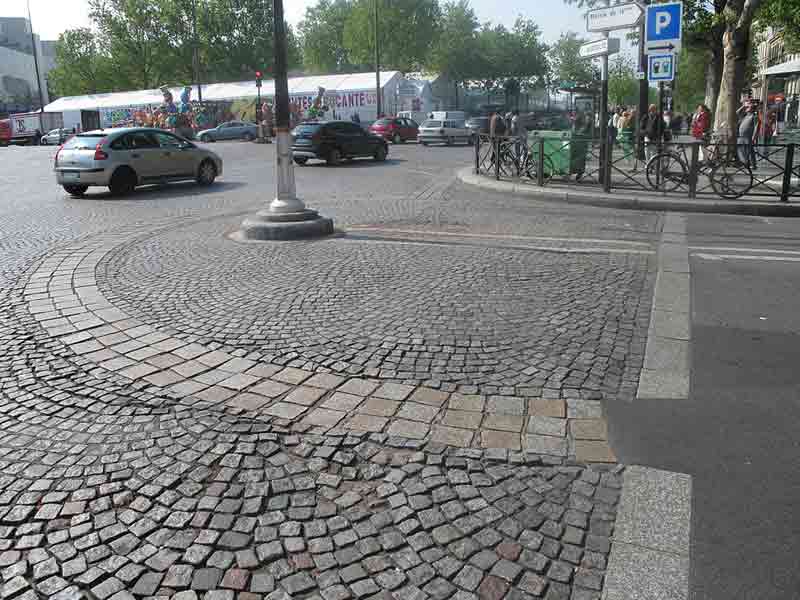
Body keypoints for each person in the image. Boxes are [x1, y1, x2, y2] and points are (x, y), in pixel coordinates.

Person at [737, 100, 758, 169]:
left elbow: (756, 127)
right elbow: (737, 112)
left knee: (749, 151)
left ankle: (753, 164)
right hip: (741, 136)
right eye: (747, 107)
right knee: (741, 150)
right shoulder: (745, 116)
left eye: (748, 107)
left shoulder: (754, 116)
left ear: (752, 109)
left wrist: (753, 137)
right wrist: (744, 105)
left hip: (748, 136)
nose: (746, 108)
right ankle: (745, 163)